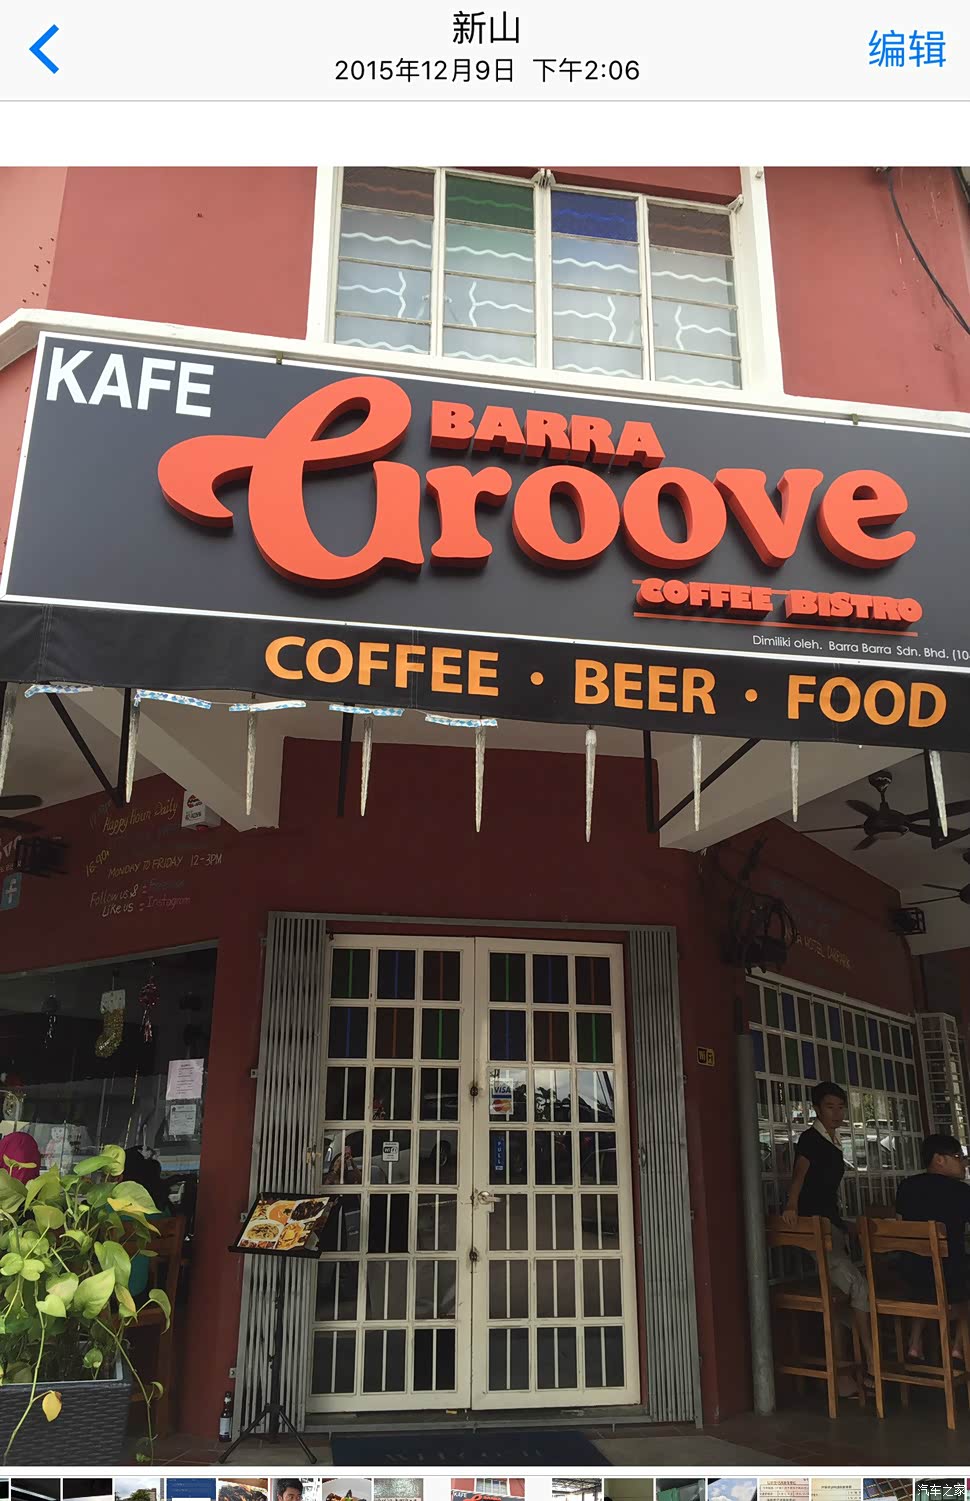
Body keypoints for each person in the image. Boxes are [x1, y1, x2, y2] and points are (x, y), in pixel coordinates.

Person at [782, 1079, 873, 1391]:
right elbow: (799, 1176)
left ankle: (848, 1373)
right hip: (815, 1226)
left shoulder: (834, 1140)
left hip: (831, 1222)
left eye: (841, 1107)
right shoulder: (811, 1139)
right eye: (830, 1107)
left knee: (844, 1297)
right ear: (817, 1109)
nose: (837, 1113)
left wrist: (844, 1223)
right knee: (858, 1287)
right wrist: (792, 1206)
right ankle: (871, 1362)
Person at [895, 1132, 970, 1362]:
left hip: (910, 1274)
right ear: (939, 1159)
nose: (964, 1163)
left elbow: (899, 1225)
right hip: (951, 1277)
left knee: (926, 1286)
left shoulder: (906, 1187)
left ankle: (915, 1343)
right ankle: (958, 1346)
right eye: (958, 1157)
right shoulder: (961, 1191)